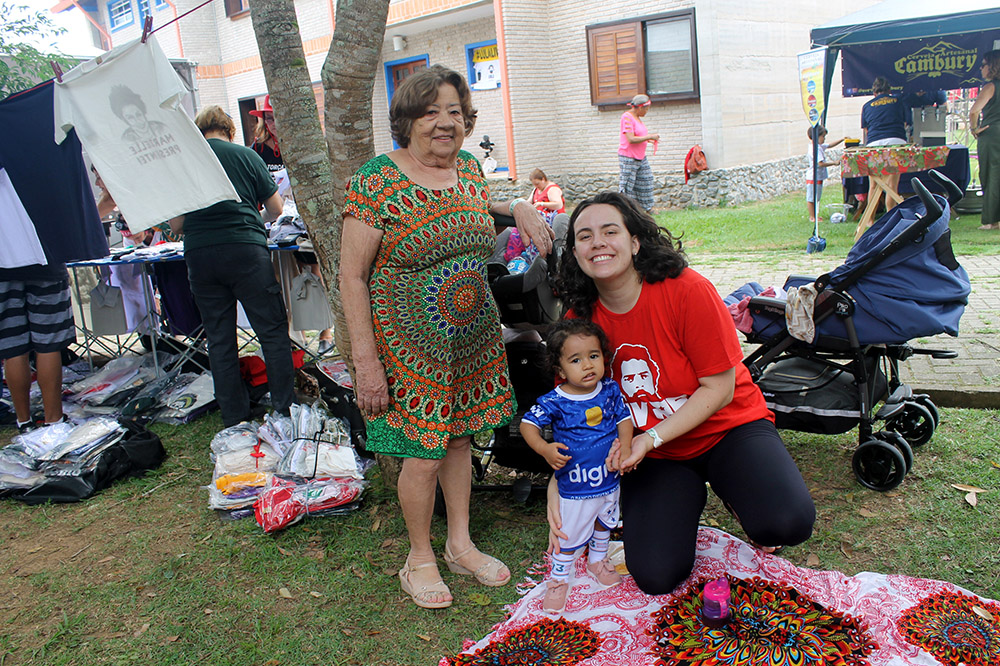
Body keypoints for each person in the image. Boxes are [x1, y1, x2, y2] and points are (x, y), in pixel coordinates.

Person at [340, 64, 554, 610]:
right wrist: (366, 362)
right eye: (431, 111)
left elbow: (475, 207)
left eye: (455, 111)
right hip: (410, 344)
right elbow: (352, 276)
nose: (444, 122)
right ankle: (419, 559)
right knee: (423, 452)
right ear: (408, 120)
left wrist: (518, 205)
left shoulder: (469, 170)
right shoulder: (377, 180)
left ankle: (460, 544)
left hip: (471, 337)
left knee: (459, 440)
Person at [550, 191, 816, 596]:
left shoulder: (687, 290)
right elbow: (575, 413)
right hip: (655, 456)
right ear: (575, 253)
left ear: (635, 242)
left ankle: (737, 494)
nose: (597, 242)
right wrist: (559, 487)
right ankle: (683, 499)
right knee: (656, 574)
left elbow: (721, 388)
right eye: (584, 236)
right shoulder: (578, 323)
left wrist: (649, 438)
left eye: (610, 231)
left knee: (786, 522)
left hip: (726, 428)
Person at [171, 105, 295, 427]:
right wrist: (253, 217)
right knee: (271, 331)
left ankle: (235, 417)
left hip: (200, 255)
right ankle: (284, 409)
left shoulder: (185, 162)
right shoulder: (247, 156)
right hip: (245, 250)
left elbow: (177, 224)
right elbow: (276, 209)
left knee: (219, 339)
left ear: (199, 132)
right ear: (229, 130)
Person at [520, 319, 633, 613]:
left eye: (593, 356)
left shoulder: (609, 390)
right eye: (575, 360)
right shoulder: (555, 401)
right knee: (568, 533)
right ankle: (559, 579)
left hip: (608, 480)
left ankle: (597, 560)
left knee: (605, 522)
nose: (587, 365)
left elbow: (624, 419)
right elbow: (527, 425)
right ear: (559, 370)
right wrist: (544, 449)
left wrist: (626, 446)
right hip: (575, 486)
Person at [249, 95, 335, 354]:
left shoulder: (303, 144)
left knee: (314, 271)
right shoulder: (257, 150)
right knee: (279, 274)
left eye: (276, 117)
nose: (272, 123)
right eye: (268, 118)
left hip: (304, 218)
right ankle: (293, 335)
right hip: (274, 222)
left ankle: (325, 332)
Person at [0, 261, 74, 433]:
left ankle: (24, 422)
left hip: (3, 269)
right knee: (49, 345)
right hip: (45, 265)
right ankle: (54, 421)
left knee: (13, 347)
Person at [861, 77, 908, 215]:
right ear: (889, 90)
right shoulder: (898, 101)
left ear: (874, 93)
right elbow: (905, 124)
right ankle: (891, 216)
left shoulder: (867, 106)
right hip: (895, 141)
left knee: (873, 185)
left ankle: (869, 220)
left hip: (874, 144)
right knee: (892, 185)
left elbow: (866, 130)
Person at [971, 51, 1000, 231]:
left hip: (992, 134)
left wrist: (974, 128)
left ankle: (991, 220)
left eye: (983, 65)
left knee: (990, 175)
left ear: (992, 66)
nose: (981, 68)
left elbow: (974, 111)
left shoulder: (990, 87)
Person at [618, 94, 660, 212]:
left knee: (646, 180)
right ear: (640, 107)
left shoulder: (637, 118)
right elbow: (631, 139)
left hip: (640, 156)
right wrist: (649, 136)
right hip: (628, 157)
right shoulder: (626, 117)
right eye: (646, 109)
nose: (647, 112)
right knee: (628, 185)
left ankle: (647, 208)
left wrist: (647, 140)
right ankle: (625, 210)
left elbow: (639, 136)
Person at [805, 125, 844, 223]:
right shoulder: (815, 149)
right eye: (823, 137)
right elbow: (820, 163)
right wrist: (834, 163)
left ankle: (815, 215)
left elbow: (830, 145)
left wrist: (842, 139)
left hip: (818, 177)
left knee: (816, 197)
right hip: (813, 177)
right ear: (816, 137)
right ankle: (812, 217)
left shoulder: (818, 146)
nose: (824, 139)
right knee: (811, 198)